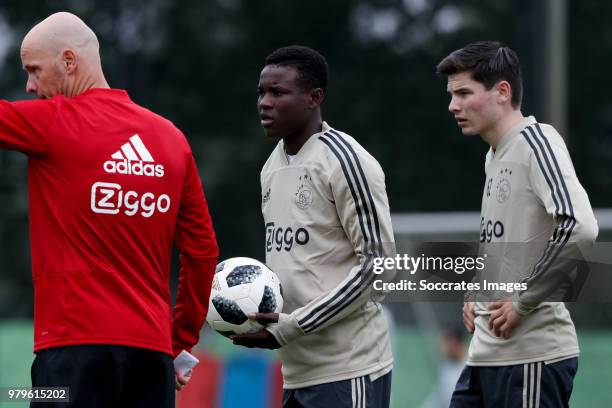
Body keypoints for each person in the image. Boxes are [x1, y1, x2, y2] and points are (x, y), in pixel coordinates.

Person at [1, 12, 218, 407]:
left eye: (33, 71)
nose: (29, 87)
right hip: (151, 358)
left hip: (71, 353)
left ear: (69, 61)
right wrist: (177, 343)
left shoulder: (53, 122)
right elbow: (202, 253)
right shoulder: (171, 139)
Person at [436, 41, 598, 407]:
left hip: (531, 357)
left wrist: (523, 300)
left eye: (464, 93)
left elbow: (579, 225)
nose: (453, 106)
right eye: (451, 95)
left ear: (502, 91)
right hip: (485, 356)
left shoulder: (537, 143)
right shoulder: (494, 155)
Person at [232, 45, 395, 407]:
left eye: (278, 92)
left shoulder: (345, 160)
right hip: (295, 372)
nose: (264, 102)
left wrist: (292, 326)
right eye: (261, 92)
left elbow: (378, 268)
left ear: (314, 97)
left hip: (348, 369)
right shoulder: (270, 168)